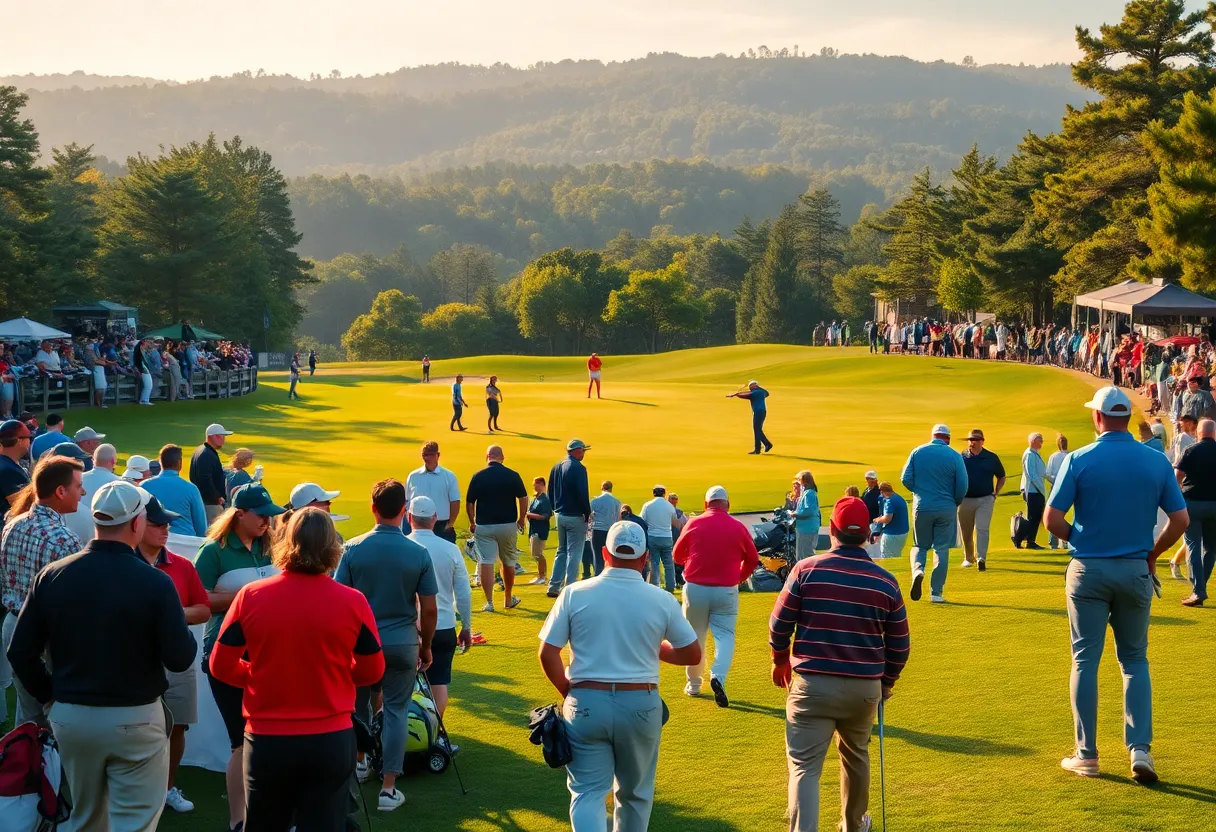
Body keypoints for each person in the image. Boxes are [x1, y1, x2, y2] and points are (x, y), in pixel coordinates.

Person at [8, 480, 197, 832]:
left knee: (85, 819)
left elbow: (20, 652)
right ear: (137, 523)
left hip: (73, 717)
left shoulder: (53, 576)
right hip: (135, 716)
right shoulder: (155, 582)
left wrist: (51, 697)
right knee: (135, 821)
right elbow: (180, 657)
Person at [1044, 386, 1187, 784]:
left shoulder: (1079, 459)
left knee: (1085, 660)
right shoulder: (1155, 461)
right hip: (1135, 569)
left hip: (1088, 568)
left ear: (1097, 417)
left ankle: (1086, 755)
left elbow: (1052, 520)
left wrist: (1081, 539)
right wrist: (1153, 554)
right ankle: (1140, 750)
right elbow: (1180, 521)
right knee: (1135, 660)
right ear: (1128, 418)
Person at [210, 508, 385, 828]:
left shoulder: (251, 596)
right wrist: (335, 674)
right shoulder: (352, 601)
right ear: (333, 547)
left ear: (285, 543)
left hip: (268, 740)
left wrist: (257, 675)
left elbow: (220, 665)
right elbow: (372, 671)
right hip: (330, 738)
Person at [538, 520, 701, 832]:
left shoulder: (575, 593)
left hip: (586, 700)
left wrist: (567, 690)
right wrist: (657, 650)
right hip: (640, 703)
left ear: (604, 553)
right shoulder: (661, 598)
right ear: (644, 558)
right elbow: (691, 654)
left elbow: (548, 653)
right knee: (635, 795)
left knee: (587, 792)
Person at [770, 496, 910, 832]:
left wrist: (779, 660)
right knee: (856, 756)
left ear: (831, 530)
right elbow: (900, 645)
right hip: (863, 688)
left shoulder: (806, 569)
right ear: (866, 534)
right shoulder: (885, 581)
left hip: (811, 684)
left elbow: (779, 624)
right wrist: (886, 683)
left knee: (804, 766)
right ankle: (853, 825)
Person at [336, 480, 438, 811]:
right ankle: (389, 788)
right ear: (404, 510)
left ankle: (362, 761)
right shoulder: (418, 552)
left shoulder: (352, 548)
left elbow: (340, 598)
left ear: (373, 508)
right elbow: (430, 607)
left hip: (361, 644)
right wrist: (426, 646)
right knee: (395, 709)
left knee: (359, 705)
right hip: (403, 642)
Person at [194, 483, 285, 832]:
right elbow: (199, 602)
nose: (267, 521)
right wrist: (246, 597)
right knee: (241, 739)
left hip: (269, 652)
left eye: (270, 515)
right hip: (226, 651)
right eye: (261, 515)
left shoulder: (272, 546)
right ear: (239, 514)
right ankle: (239, 820)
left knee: (270, 736)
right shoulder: (213, 551)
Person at [134, 495, 212, 814]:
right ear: (137, 526)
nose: (166, 529)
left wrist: (171, 613)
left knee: (177, 725)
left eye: (167, 523)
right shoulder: (127, 564)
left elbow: (204, 609)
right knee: (137, 727)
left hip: (177, 659)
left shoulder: (181, 564)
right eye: (157, 524)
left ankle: (166, 788)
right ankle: (140, 790)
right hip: (136, 661)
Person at [1, 454, 86, 727]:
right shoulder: (64, 539)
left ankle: (19, 768)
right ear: (61, 491)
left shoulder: (12, 524)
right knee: (54, 721)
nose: (82, 492)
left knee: (26, 719)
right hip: (46, 638)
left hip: (13, 626)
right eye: (78, 486)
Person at [673, 485, 759, 707]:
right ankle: (718, 676)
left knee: (694, 636)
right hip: (726, 589)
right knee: (725, 635)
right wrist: (739, 577)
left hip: (696, 588)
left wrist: (694, 560)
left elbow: (677, 555)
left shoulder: (694, 523)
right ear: (727, 505)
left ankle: (693, 684)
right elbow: (752, 559)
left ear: (705, 504)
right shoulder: (738, 527)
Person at [406, 495, 471, 720]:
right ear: (435, 519)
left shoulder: (403, 546)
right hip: (443, 626)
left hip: (408, 628)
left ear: (409, 517)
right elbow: (463, 592)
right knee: (438, 682)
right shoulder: (450, 550)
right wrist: (467, 626)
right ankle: (434, 735)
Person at [900, 424, 968, 603]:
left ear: (933, 436)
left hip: (922, 506)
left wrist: (920, 492)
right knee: (941, 548)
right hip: (946, 507)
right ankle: (936, 592)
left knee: (920, 545)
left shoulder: (917, 452)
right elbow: (962, 485)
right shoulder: (954, 455)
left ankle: (918, 570)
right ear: (948, 438)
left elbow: (905, 478)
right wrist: (956, 501)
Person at [466, 444, 528, 612]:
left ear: (487, 457)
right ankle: (508, 598)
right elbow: (523, 497)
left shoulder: (478, 476)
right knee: (508, 561)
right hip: (507, 524)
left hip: (484, 525)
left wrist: (472, 521)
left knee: (486, 561)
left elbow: (470, 502)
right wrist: (521, 519)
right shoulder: (512, 475)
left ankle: (489, 602)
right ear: (502, 457)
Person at [1175, 418, 1216, 607]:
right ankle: (1201, 587)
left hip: (1193, 504)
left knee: (1193, 546)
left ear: (1198, 432)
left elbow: (1178, 477)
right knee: (1211, 549)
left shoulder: (1191, 450)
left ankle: (1198, 590)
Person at [547, 438, 593, 597]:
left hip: (560, 514)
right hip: (575, 515)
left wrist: (554, 509)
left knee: (561, 550)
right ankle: (570, 587)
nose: (584, 453)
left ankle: (553, 585)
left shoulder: (556, 466)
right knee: (574, 552)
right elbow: (582, 494)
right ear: (577, 450)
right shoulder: (579, 468)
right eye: (583, 450)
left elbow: (550, 491)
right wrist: (587, 513)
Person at [959, 429, 1006, 569]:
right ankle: (968, 557)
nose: (971, 443)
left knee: (982, 528)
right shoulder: (961, 457)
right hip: (965, 499)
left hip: (985, 499)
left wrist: (995, 493)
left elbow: (1001, 476)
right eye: (970, 440)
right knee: (966, 531)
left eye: (975, 440)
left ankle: (981, 558)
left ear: (982, 441)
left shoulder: (991, 457)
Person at [142, 443, 210, 537]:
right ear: (180, 463)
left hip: (153, 539)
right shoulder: (191, 489)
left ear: (160, 462)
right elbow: (201, 526)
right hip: (185, 542)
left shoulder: (144, 486)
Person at [406, 440, 462, 544]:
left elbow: (455, 502)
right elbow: (407, 501)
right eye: (424, 455)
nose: (426, 458)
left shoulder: (448, 476)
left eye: (429, 455)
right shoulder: (413, 476)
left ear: (438, 455)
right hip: (418, 525)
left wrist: (450, 524)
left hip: (441, 526)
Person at [63, 442, 121, 543]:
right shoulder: (119, 483)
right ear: (113, 461)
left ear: (93, 459)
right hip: (102, 537)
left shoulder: (77, 479)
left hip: (71, 531)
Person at [191, 422, 234, 524]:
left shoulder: (202, 451)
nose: (224, 439)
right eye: (222, 436)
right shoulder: (207, 454)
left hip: (204, 501)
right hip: (210, 504)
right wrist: (216, 497)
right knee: (213, 532)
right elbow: (205, 478)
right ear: (214, 436)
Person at [640, 485, 679, 592]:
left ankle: (654, 586)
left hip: (653, 537)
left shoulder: (647, 505)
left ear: (653, 493)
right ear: (664, 493)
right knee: (668, 564)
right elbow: (675, 523)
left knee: (654, 563)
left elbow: (643, 521)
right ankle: (670, 586)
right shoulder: (669, 506)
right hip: (666, 537)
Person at [1014, 433, 1048, 550]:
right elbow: (1031, 474)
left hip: (1036, 490)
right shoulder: (1029, 454)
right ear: (1033, 441)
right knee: (1033, 516)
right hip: (1033, 490)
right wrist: (1041, 489)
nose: (1041, 443)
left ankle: (1031, 540)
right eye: (1040, 440)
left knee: (1036, 516)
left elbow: (1043, 473)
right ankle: (1029, 541)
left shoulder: (1035, 454)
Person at [727, 380, 773, 454]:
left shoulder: (758, 392)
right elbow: (749, 393)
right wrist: (737, 394)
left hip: (759, 412)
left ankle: (763, 446)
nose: (749, 387)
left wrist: (737, 394)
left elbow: (747, 395)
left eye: (751, 386)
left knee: (757, 429)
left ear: (755, 385)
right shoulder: (762, 392)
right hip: (761, 412)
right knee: (757, 429)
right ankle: (762, 447)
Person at [589, 480, 622, 577]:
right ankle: (608, 575)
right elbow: (618, 519)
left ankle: (598, 575)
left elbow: (590, 516)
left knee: (597, 555)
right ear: (611, 489)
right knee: (608, 555)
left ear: (602, 488)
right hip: (610, 531)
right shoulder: (617, 502)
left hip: (597, 530)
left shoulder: (595, 501)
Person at [0, 419, 32, 513]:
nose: (30, 441)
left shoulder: (5, 463)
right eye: (28, 437)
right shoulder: (9, 471)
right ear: (19, 441)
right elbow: (24, 507)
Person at [526, 476, 553, 585]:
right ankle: (540, 575)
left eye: (536, 484)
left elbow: (546, 516)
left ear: (542, 484)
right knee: (535, 554)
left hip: (540, 529)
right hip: (533, 529)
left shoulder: (545, 500)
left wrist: (530, 515)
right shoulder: (536, 498)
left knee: (538, 553)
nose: (534, 486)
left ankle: (543, 576)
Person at [873, 481, 910, 559]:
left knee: (887, 557)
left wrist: (877, 520)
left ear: (882, 491)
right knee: (896, 556)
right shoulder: (899, 498)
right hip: (902, 533)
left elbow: (887, 518)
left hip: (892, 534)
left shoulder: (889, 501)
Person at [1046, 435, 1070, 550]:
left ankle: (1053, 543)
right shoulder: (1070, 456)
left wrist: (1056, 481)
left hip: (1056, 488)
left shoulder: (1054, 457)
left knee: (1054, 513)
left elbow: (1048, 473)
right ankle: (1065, 541)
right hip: (1070, 488)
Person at [792, 470, 821, 559]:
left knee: (806, 554)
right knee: (801, 554)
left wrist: (795, 514)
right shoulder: (807, 492)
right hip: (804, 528)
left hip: (807, 528)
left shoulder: (809, 493)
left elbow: (809, 510)